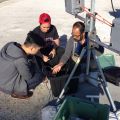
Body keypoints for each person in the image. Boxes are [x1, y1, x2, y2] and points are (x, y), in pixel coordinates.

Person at [0, 31, 45, 99]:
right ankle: (18, 93)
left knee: (31, 59)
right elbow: (28, 77)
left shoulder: (11, 44)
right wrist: (31, 65)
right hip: (7, 86)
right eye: (38, 49)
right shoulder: (21, 60)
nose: (38, 51)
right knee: (40, 75)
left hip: (3, 76)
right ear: (32, 48)